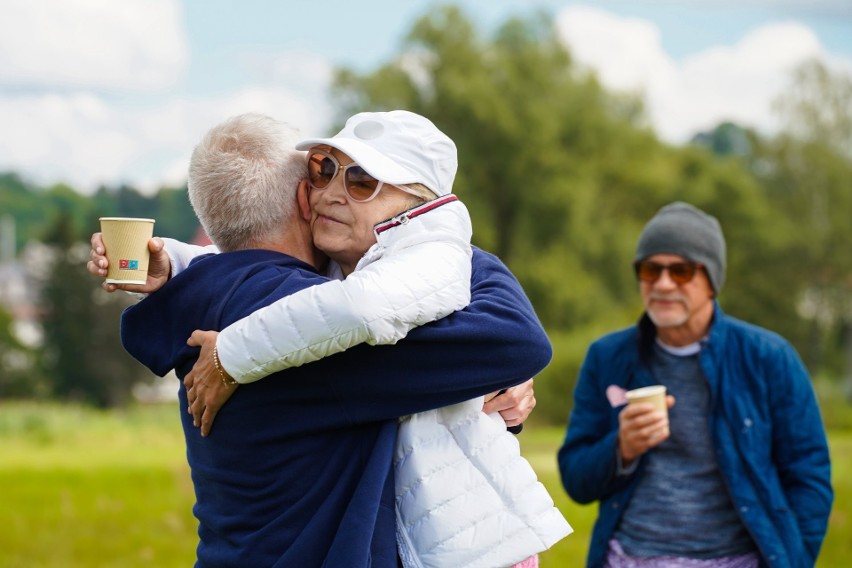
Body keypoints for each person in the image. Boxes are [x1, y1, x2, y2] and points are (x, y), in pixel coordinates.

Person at [98, 111, 567, 566]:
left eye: (361, 181)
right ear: (305, 198)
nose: (333, 194)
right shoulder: (312, 323)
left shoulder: (203, 294)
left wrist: (176, 259)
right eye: (324, 172)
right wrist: (439, 241)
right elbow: (510, 340)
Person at [558, 202, 833, 568]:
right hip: (629, 559)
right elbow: (576, 479)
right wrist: (621, 448)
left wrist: (794, 559)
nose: (664, 284)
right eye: (650, 270)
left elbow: (809, 477)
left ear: (712, 281)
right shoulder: (607, 357)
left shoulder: (769, 357)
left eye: (682, 271)